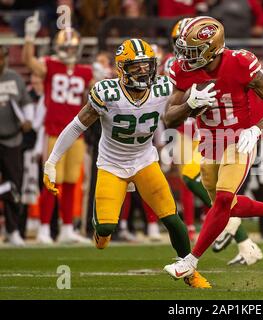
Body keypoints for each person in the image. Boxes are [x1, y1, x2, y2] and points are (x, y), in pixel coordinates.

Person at [42, 38, 210, 289]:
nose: (144, 71)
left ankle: (189, 272)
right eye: (136, 66)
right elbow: (77, 125)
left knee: (172, 218)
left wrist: (192, 104)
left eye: (147, 65)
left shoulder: (163, 87)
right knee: (106, 232)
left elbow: (178, 114)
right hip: (111, 165)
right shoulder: (107, 93)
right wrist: (52, 161)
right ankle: (100, 229)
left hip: (144, 161)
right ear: (122, 69)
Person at [163, 16, 263, 279]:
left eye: (193, 51)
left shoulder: (240, 62)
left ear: (212, 48)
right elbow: (168, 117)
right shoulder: (183, 70)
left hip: (239, 140)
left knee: (223, 200)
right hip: (209, 143)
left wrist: (257, 128)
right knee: (226, 207)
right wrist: (190, 104)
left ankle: (190, 260)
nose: (186, 58)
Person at [23, 12, 93, 244]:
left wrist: (102, 78)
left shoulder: (85, 71)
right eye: (67, 47)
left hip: (77, 134)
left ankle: (66, 228)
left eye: (73, 48)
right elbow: (29, 62)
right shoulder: (50, 65)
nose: (70, 52)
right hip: (54, 132)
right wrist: (30, 38)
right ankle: (44, 228)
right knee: (52, 180)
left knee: (72, 182)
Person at [0, 45, 34, 246]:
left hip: (12, 139)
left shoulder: (15, 78)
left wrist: (28, 119)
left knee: (14, 187)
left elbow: (26, 102)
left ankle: (13, 230)